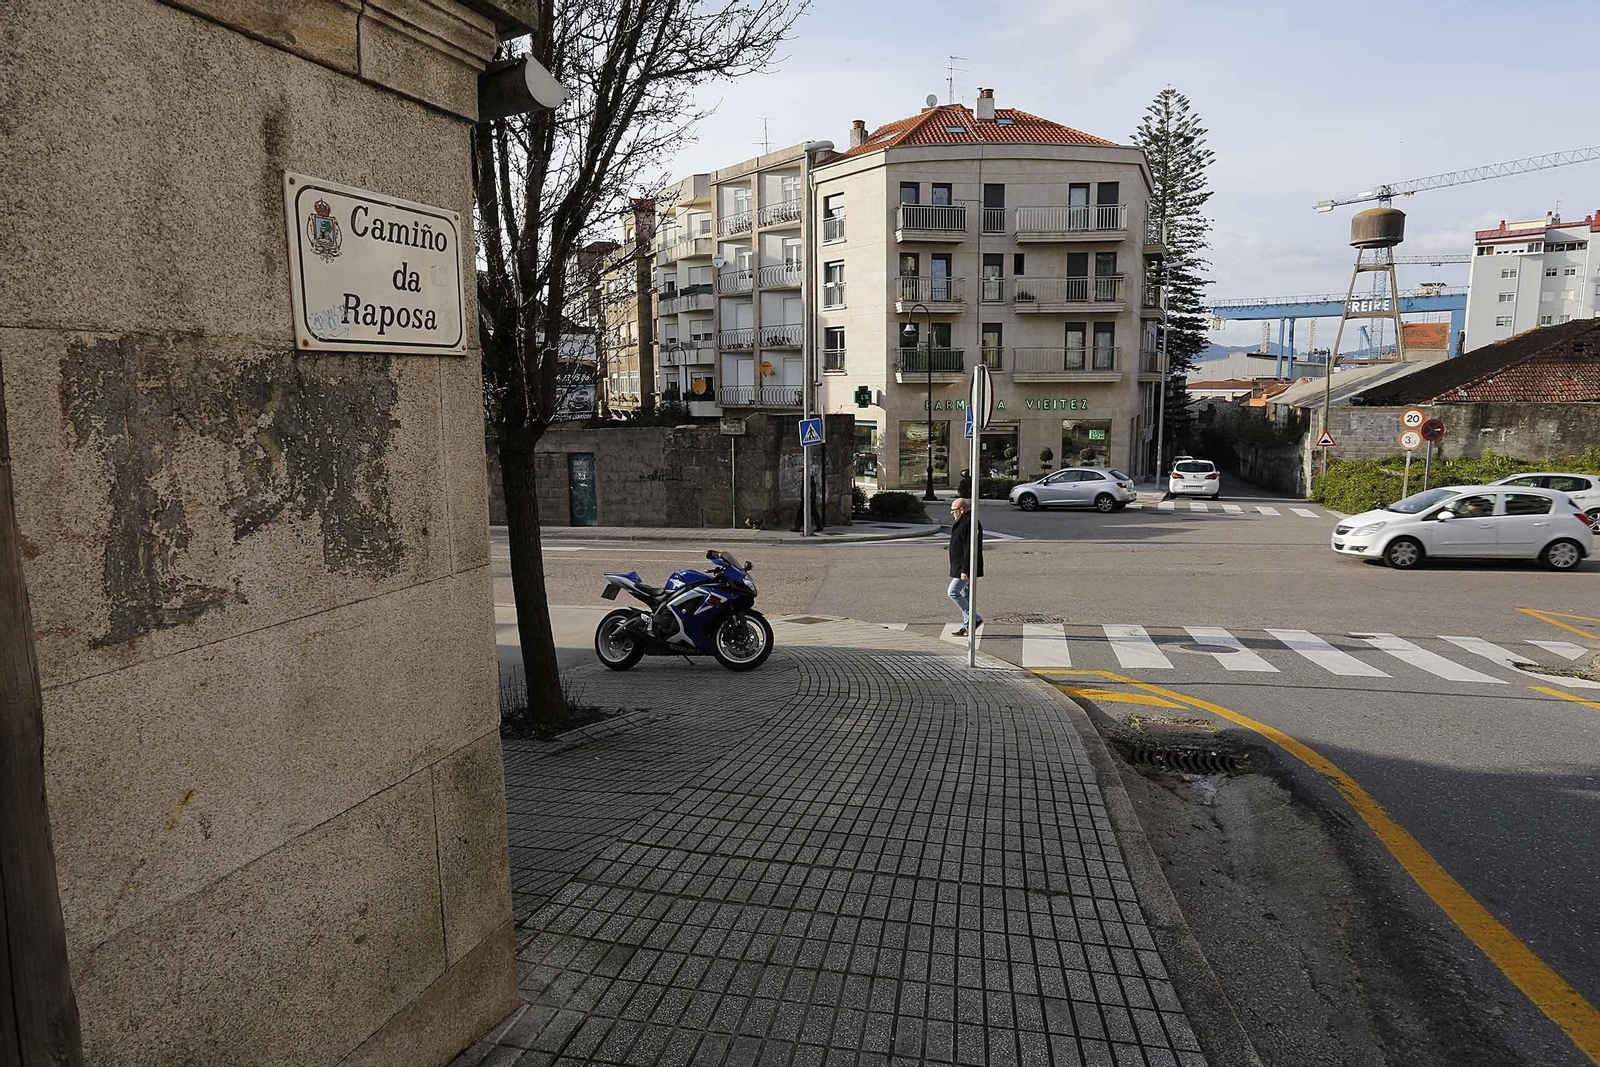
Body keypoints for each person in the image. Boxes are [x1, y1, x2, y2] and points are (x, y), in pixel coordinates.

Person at [947, 497, 984, 637]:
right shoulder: (964, 521)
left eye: (953, 510)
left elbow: (970, 549)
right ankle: (967, 625)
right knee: (965, 596)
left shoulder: (969, 523)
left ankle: (975, 619)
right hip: (960, 566)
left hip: (965, 568)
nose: (952, 513)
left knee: (953, 592)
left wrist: (965, 570)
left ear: (961, 510)